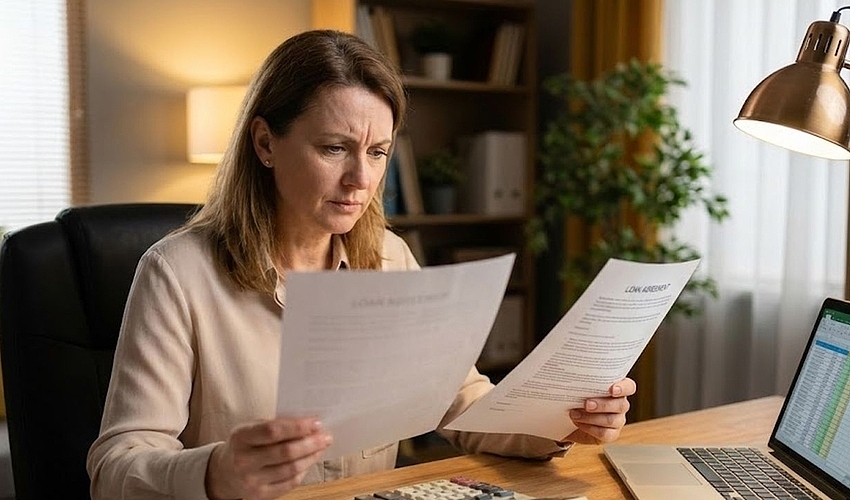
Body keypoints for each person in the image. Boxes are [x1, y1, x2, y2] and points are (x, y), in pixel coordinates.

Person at [86, 29, 636, 500]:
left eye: (377, 153)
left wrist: (562, 418)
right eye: (333, 149)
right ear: (264, 143)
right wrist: (216, 472)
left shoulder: (389, 257)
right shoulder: (177, 272)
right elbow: (114, 467)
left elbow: (461, 401)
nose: (361, 181)